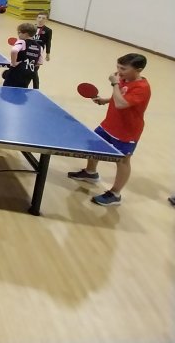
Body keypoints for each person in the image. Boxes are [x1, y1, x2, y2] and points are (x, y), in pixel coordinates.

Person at [68, 53, 151, 207]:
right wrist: (105, 100)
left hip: (127, 131)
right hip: (109, 124)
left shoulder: (142, 88)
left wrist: (114, 84)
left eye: (123, 69)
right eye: (118, 67)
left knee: (123, 161)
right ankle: (90, 173)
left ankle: (115, 194)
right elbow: (120, 96)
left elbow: (121, 103)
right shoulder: (124, 79)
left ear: (138, 70)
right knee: (94, 146)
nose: (119, 71)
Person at [1, 23, 43, 88]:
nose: (18, 34)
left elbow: (14, 50)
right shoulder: (39, 47)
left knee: (7, 90)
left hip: (16, 72)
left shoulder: (22, 42)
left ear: (25, 34)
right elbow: (39, 62)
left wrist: (14, 63)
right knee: (22, 91)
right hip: (28, 74)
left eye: (19, 32)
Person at [32, 12, 53, 89]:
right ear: (36, 18)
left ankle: (36, 89)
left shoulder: (48, 30)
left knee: (34, 71)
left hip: (38, 52)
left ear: (46, 20)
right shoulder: (31, 27)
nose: (41, 19)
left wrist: (48, 53)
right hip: (28, 50)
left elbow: (48, 42)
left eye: (43, 18)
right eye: (39, 17)